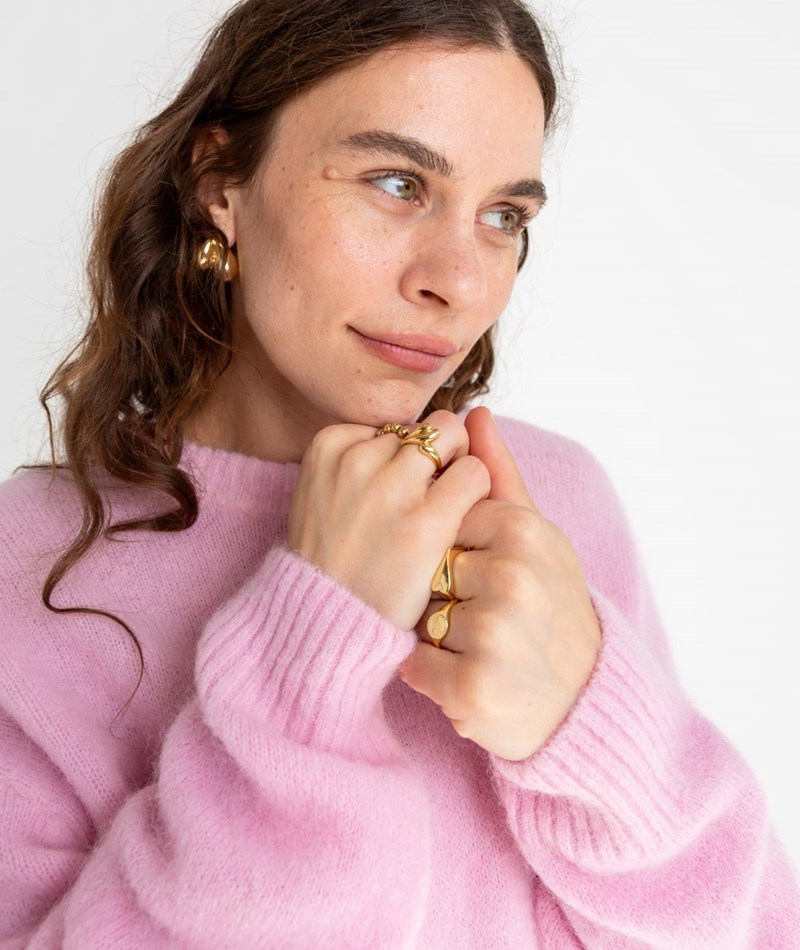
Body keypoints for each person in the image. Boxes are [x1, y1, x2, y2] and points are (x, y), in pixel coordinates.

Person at [0, 0, 798, 945]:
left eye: (503, 216)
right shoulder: (27, 566)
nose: (458, 281)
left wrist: (593, 734)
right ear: (219, 181)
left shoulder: (547, 500)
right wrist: (305, 655)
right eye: (396, 182)